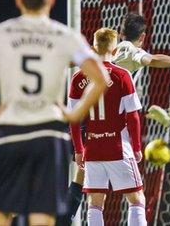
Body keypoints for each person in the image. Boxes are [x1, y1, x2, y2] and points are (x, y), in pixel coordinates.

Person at [0, 0, 109, 226]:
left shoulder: (0, 33)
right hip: (49, 136)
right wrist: (74, 113)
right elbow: (101, 77)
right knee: (41, 217)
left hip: (11, 133)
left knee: (0, 215)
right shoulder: (64, 36)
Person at [59, 13, 170, 225]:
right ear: (143, 37)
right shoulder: (130, 50)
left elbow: (73, 61)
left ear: (120, 33)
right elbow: (153, 60)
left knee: (87, 186)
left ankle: (63, 218)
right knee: (132, 197)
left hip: (86, 119)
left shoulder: (100, 51)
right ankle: (63, 218)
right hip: (108, 123)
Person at [68, 28, 146, 226]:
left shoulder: (78, 78)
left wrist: (79, 150)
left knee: (95, 203)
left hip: (92, 149)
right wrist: (136, 147)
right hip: (118, 148)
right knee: (136, 200)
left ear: (94, 47)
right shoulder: (122, 75)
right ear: (115, 51)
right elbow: (133, 116)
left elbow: (74, 119)